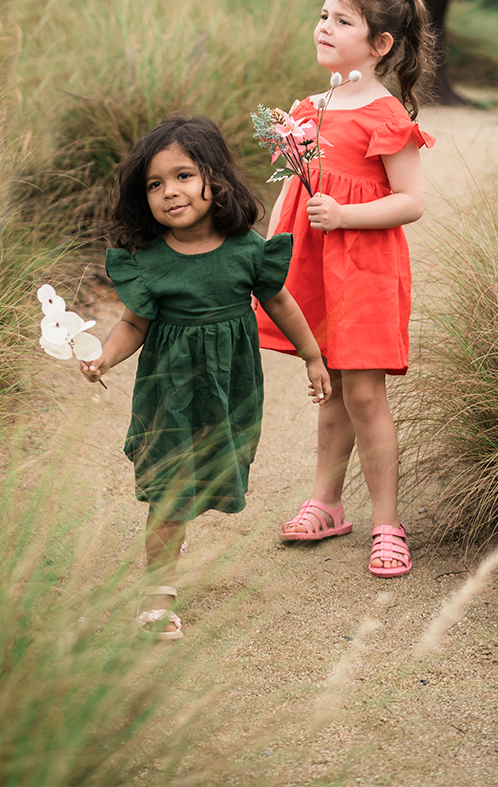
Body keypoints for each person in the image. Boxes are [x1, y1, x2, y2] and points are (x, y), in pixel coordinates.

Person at [80, 115, 330, 639]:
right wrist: (104, 357)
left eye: (183, 176)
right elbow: (133, 322)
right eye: (154, 184)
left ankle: (175, 528)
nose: (170, 192)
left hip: (228, 390)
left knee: (210, 469)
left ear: (214, 180)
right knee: (168, 487)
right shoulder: (149, 261)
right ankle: (158, 592)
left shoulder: (245, 250)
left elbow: (279, 301)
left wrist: (312, 356)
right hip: (166, 392)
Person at [257, 0, 435, 578]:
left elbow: (410, 201)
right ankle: (326, 503)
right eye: (324, 14)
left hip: (365, 269)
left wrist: (347, 213)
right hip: (318, 266)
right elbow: (293, 191)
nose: (324, 27)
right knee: (331, 387)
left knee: (364, 392)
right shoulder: (311, 109)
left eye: (342, 21)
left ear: (379, 44)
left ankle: (388, 521)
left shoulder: (386, 114)